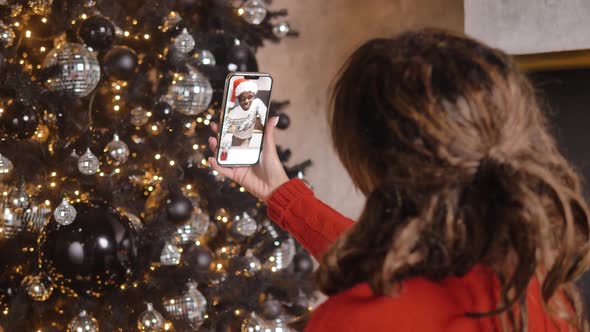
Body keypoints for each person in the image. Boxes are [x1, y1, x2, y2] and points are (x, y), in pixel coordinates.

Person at [208, 29, 590, 331]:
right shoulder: (541, 288)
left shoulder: (354, 321)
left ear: (366, 159)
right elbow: (396, 271)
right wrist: (283, 194)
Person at [222, 78, 267, 147]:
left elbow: (264, 115)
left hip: (248, 138)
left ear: (254, 96)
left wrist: (267, 126)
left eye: (250, 97)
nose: (246, 101)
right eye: (242, 98)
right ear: (238, 99)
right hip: (236, 138)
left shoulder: (257, 103)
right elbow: (225, 126)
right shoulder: (235, 112)